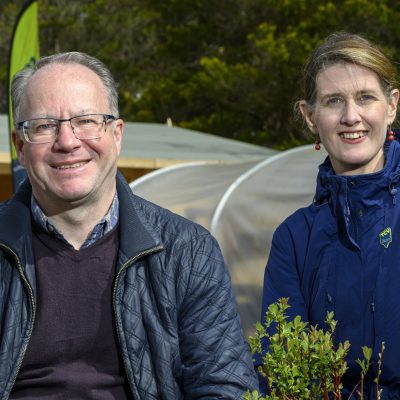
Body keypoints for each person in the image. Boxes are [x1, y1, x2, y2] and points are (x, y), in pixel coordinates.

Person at [0, 51, 257, 399]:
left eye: (86, 120)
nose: (67, 141)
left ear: (117, 134)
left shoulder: (188, 251)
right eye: (44, 126)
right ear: (20, 145)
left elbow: (223, 387)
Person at [260, 32, 400, 398]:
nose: (350, 116)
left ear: (392, 105)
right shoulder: (294, 238)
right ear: (310, 117)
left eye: (365, 98)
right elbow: (283, 370)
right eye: (333, 101)